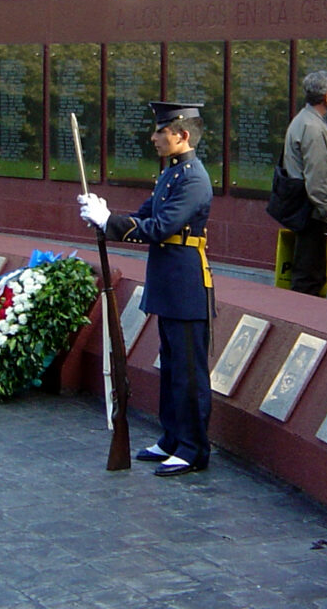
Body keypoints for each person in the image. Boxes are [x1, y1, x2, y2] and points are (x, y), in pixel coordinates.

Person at [78, 102, 213, 477]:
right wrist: (104, 217)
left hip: (186, 285)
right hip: (169, 283)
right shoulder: (171, 174)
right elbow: (144, 216)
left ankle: (193, 449)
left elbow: (161, 227)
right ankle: (172, 439)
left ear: (181, 135)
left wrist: (111, 222)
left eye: (160, 131)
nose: (154, 137)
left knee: (188, 373)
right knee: (170, 367)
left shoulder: (194, 179)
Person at [281, 70, 327, 295]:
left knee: (307, 271)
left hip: (304, 206)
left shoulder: (303, 120)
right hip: (311, 211)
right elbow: (317, 179)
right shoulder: (314, 128)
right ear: (326, 96)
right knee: (310, 276)